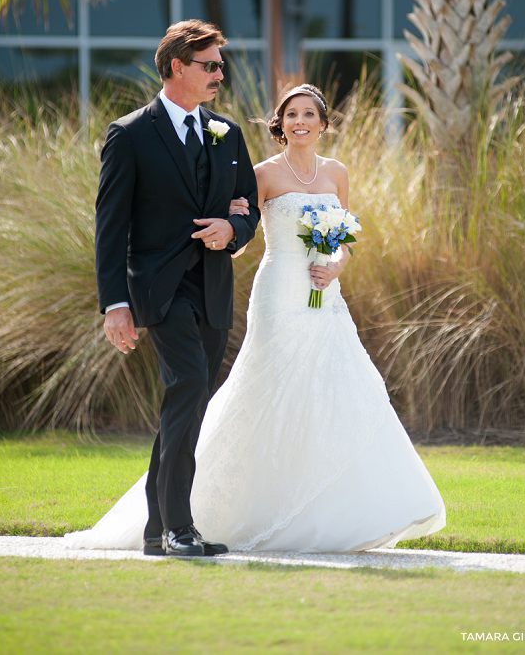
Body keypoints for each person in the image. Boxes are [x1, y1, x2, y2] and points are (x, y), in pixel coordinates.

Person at [66, 83, 445, 554]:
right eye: (291, 115)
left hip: (325, 295)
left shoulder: (337, 173)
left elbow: (345, 234)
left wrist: (337, 263)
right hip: (278, 294)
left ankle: (337, 513)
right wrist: (232, 227)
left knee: (341, 389)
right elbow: (240, 237)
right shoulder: (262, 173)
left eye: (309, 114)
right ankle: (174, 516)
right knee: (261, 392)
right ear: (280, 124)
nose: (300, 122)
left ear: (323, 124)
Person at [89, 19, 260, 559]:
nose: (218, 74)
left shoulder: (227, 134)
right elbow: (110, 226)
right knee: (187, 384)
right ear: (175, 69)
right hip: (160, 290)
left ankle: (154, 528)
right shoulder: (130, 134)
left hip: (212, 288)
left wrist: (233, 228)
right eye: (209, 65)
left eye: (220, 66)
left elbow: (249, 205)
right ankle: (179, 528)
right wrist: (116, 305)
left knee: (187, 402)